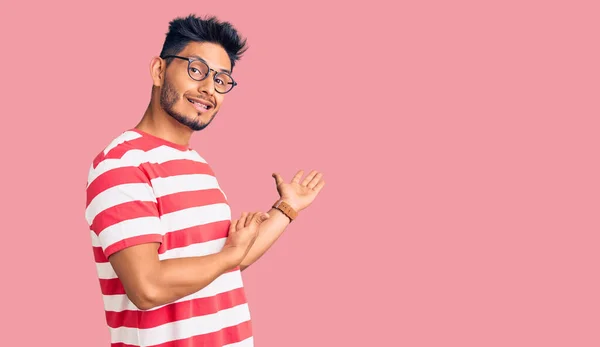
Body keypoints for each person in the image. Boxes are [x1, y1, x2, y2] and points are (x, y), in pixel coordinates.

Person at [84, 14, 325, 347]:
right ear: (158, 70)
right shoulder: (121, 165)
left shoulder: (197, 166)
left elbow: (226, 261)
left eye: (222, 80)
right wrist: (228, 256)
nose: (209, 88)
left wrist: (287, 209)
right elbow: (147, 288)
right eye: (196, 70)